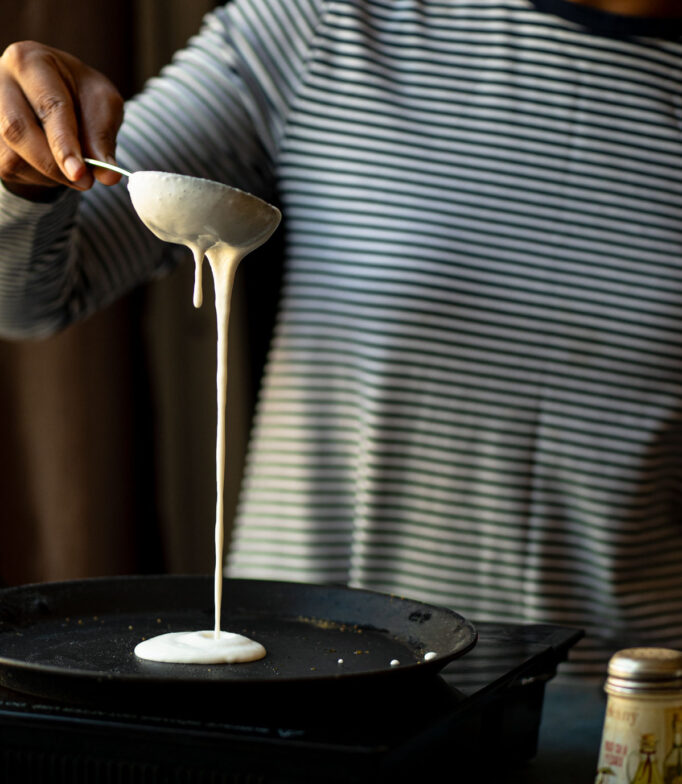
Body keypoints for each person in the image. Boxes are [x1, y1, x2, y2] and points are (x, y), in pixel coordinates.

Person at [1, 0, 681, 684]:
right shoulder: (327, 25)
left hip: (618, 715)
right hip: (291, 679)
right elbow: (29, 299)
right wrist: (20, 176)